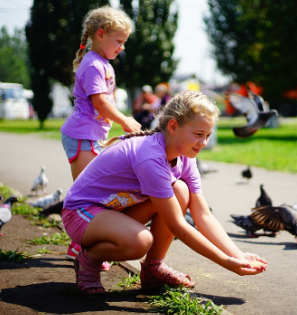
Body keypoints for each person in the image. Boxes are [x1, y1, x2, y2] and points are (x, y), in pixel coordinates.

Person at [62, 90, 268, 295]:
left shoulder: (186, 156)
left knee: (179, 190)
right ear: (173, 126)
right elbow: (178, 225)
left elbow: (203, 214)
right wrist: (226, 262)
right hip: (81, 214)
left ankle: (153, 269)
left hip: (114, 212)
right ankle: (89, 259)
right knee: (139, 242)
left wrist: (237, 255)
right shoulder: (151, 157)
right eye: (198, 134)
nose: (203, 143)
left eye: (207, 136)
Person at [60, 6, 141, 266]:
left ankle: (86, 243)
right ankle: (81, 246)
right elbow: (100, 104)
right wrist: (125, 120)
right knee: (87, 196)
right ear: (101, 34)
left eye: (124, 42)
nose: (122, 47)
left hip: (89, 136)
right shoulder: (93, 64)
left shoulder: (101, 63)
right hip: (81, 137)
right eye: (119, 41)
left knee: (93, 192)